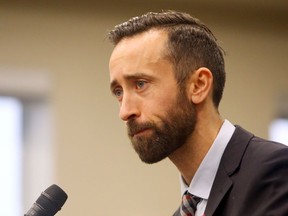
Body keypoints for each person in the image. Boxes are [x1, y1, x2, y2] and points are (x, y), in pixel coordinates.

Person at [107, 10, 288, 216]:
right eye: (119, 92)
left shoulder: (274, 172)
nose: (125, 111)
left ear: (198, 85)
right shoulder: (185, 211)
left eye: (140, 84)